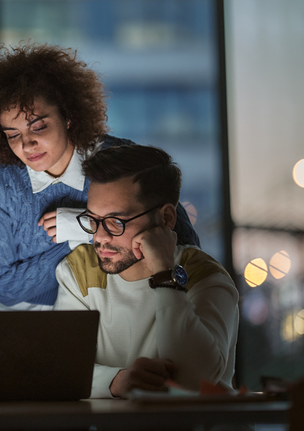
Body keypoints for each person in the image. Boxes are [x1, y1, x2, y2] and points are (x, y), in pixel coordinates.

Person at [0, 43, 199, 310]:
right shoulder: (0, 179)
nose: (26, 145)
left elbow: (185, 245)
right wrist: (77, 239)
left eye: (38, 126)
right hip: (24, 324)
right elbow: (5, 287)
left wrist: (83, 225)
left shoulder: (122, 160)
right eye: (13, 134)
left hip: (111, 314)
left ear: (68, 116)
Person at [54, 145, 239, 398]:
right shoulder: (80, 271)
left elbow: (194, 381)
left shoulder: (205, 276)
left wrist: (164, 273)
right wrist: (116, 381)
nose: (100, 237)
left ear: (166, 219)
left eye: (115, 222)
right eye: (93, 219)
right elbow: (60, 371)